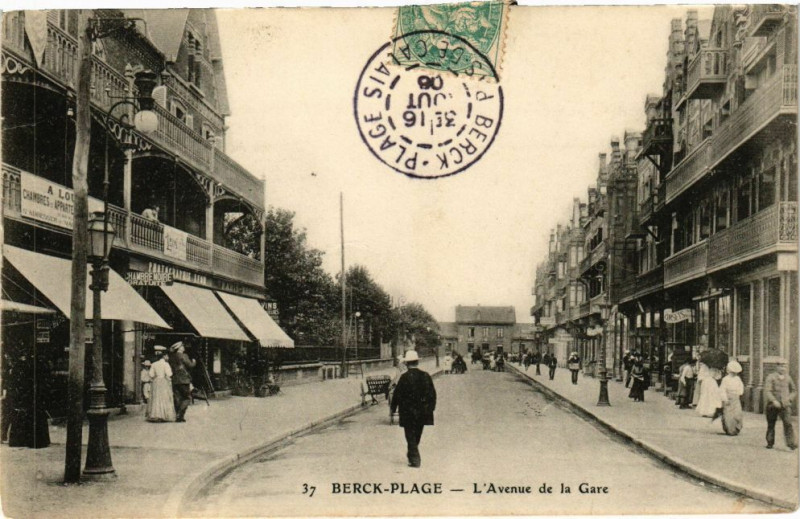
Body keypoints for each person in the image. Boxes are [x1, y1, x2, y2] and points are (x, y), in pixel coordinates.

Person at [390, 350, 436, 468]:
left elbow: (397, 394)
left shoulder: (404, 377)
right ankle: (412, 454)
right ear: (417, 362)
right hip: (422, 412)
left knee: (409, 434)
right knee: (417, 435)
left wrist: (393, 408)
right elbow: (432, 394)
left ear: (407, 364)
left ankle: (415, 458)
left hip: (407, 412)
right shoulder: (426, 376)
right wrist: (430, 409)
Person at [763, 359, 797, 450]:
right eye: (781, 366)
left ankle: (791, 443)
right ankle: (770, 442)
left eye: (785, 366)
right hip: (772, 405)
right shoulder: (771, 377)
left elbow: (794, 390)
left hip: (785, 405)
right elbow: (768, 391)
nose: (783, 369)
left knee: (788, 423)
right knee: (771, 423)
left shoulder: (788, 378)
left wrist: (789, 399)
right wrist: (774, 400)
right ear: (776, 367)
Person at [168, 341, 196, 423]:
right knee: (187, 398)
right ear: (179, 348)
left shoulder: (172, 357)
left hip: (175, 380)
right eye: (182, 346)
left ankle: (179, 416)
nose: (184, 347)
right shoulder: (184, 356)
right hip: (184, 380)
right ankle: (180, 414)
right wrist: (194, 361)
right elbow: (190, 365)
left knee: (177, 398)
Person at [147, 347, 176, 423]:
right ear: (164, 356)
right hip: (163, 381)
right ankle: (164, 414)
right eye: (167, 356)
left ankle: (156, 414)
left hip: (156, 382)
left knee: (156, 398)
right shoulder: (166, 364)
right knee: (164, 397)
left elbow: (151, 374)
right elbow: (169, 374)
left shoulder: (154, 364)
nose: (168, 357)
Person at [719, 361, 744, 436]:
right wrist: (725, 399)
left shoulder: (738, 379)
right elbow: (722, 389)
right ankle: (730, 429)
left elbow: (741, 387)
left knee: (737, 414)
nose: (733, 373)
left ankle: (737, 427)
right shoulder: (725, 379)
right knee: (728, 415)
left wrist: (739, 393)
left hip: (736, 398)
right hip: (728, 398)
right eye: (732, 372)